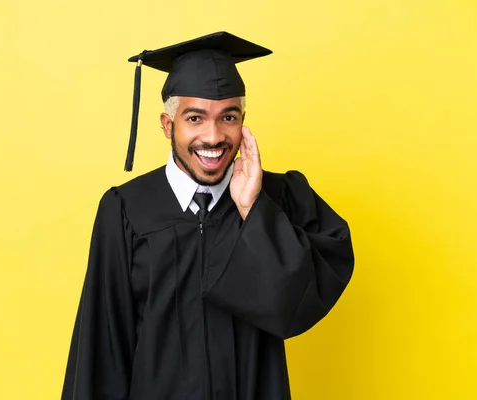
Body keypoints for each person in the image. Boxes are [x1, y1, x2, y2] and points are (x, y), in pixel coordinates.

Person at [61, 31, 354, 400]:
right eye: (195, 118)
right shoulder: (126, 210)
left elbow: (300, 302)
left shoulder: (278, 198)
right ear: (169, 126)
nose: (213, 136)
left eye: (227, 117)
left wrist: (254, 210)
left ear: (242, 121)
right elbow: (102, 347)